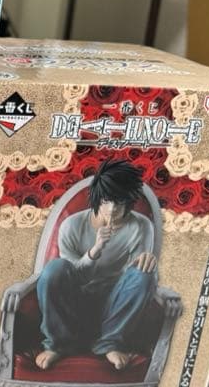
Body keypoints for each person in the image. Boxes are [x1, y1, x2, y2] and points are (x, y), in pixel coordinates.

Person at [35, 159, 158, 372]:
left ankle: (110, 342)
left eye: (120, 203)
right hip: (74, 302)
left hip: (113, 304)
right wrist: (95, 250)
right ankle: (58, 344)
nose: (112, 209)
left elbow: (133, 277)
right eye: (107, 201)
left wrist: (146, 263)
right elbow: (70, 274)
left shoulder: (141, 226)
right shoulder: (72, 225)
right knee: (54, 268)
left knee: (145, 274)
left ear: (129, 202)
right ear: (97, 197)